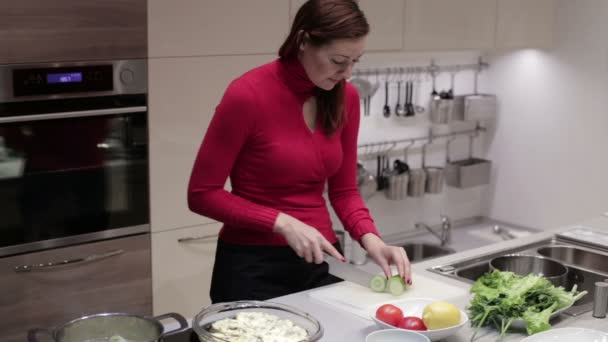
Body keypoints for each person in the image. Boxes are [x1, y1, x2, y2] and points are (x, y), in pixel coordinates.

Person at [188, 0, 411, 303]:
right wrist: (281, 222)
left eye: (355, 62)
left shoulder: (347, 97)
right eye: (338, 60)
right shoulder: (247, 95)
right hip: (251, 268)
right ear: (304, 41)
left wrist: (371, 238)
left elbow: (344, 191)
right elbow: (202, 194)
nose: (346, 73)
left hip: (320, 261)